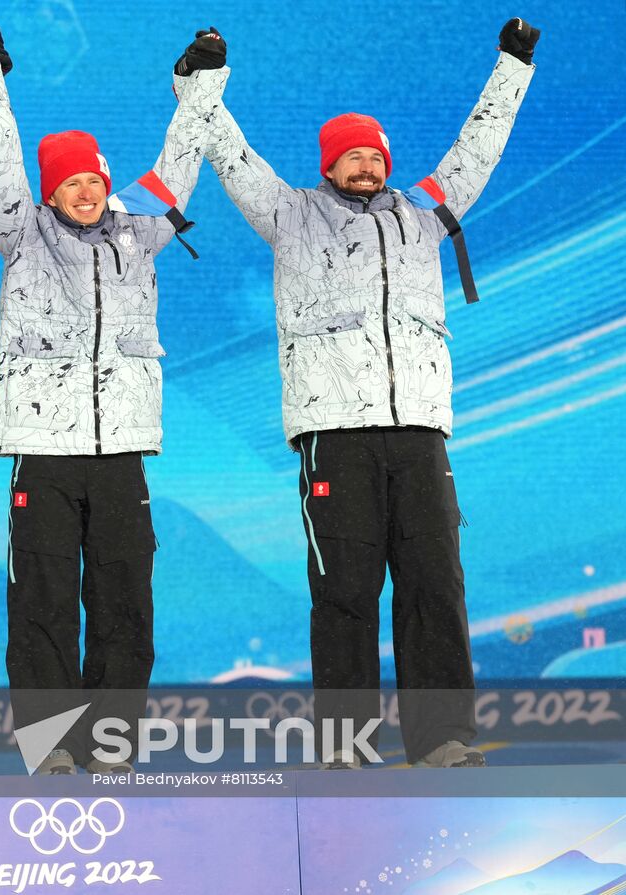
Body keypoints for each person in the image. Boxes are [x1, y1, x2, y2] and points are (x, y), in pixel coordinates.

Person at [200, 19, 540, 767]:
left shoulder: (423, 217)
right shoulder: (289, 214)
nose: (363, 165)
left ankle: (443, 738)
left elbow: (476, 147)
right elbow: (230, 156)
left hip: (419, 430)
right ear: (330, 163)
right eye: (350, 155)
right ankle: (345, 747)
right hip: (333, 434)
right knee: (345, 593)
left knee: (435, 589)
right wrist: (201, 81)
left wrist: (512, 66)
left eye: (372, 154)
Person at [0, 28, 228, 774]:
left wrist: (201, 81)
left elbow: (180, 162)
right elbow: (4, 158)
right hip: (43, 453)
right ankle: (51, 746)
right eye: (71, 180)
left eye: (95, 179)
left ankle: (110, 744)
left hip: (120, 455)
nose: (86, 189)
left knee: (124, 604)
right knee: (42, 602)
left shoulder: (139, 236)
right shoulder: (20, 235)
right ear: (49, 189)